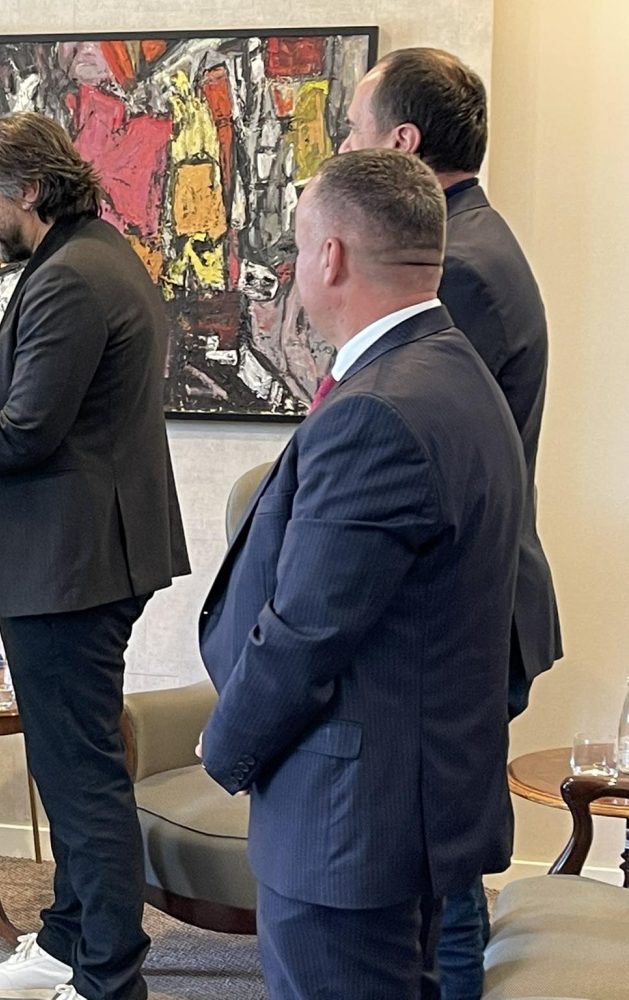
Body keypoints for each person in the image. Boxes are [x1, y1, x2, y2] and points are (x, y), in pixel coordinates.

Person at [197, 149, 525, 999]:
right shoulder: (454, 372)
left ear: (330, 255)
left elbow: (306, 632)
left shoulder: (377, 411)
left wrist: (223, 742)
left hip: (348, 818)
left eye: (296, 246)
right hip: (403, 800)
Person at [0, 112, 189, 1000]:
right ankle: (64, 941)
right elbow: (49, 406)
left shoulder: (70, 278)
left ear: (29, 189)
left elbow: (29, 434)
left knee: (80, 777)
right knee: (67, 766)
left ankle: (106, 976)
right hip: (79, 556)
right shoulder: (92, 255)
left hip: (71, 567)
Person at [340, 48, 562, 997]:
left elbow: (408, 454)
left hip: (455, 614)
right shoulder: (474, 237)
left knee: (439, 881)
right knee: (440, 868)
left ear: (400, 142)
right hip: (474, 604)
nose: (339, 150)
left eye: (351, 132)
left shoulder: (452, 269)